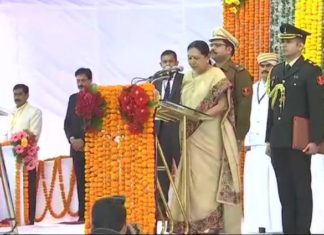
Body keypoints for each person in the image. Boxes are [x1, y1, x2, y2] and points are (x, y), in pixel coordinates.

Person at [170, 40, 241, 234]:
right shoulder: (186, 77)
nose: (192, 62)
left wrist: (198, 117)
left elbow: (223, 106)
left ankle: (211, 223)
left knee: (207, 181)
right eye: (189, 58)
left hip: (209, 135)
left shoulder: (216, 75)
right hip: (190, 135)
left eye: (196, 58)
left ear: (207, 57)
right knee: (191, 179)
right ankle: (191, 223)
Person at [265, 24, 324, 234]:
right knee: (285, 191)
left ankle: (302, 231)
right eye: (282, 41)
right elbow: (272, 108)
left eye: (288, 41)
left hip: (299, 140)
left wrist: (316, 140)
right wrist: (269, 139)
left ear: (300, 45)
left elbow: (317, 108)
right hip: (279, 139)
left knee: (301, 190)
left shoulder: (310, 70)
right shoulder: (277, 70)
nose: (284, 45)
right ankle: (288, 230)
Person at [243, 53, 282, 233]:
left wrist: (273, 140)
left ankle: (275, 226)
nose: (264, 69)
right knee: (254, 187)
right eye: (262, 66)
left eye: (268, 66)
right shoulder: (252, 88)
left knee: (273, 186)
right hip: (253, 144)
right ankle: (256, 225)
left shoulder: (281, 89)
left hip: (271, 145)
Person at [209, 27, 253, 147]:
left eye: (217, 45)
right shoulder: (207, 72)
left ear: (229, 50)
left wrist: (239, 135)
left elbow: (244, 106)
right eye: (211, 45)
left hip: (228, 129)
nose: (212, 48)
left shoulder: (239, 73)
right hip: (207, 130)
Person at [153, 50, 183, 217]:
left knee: (182, 172)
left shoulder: (184, 79)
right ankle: (161, 212)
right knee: (161, 173)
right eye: (165, 62)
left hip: (178, 131)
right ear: (160, 64)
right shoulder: (155, 81)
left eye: (171, 61)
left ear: (176, 62)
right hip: (161, 133)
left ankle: (184, 210)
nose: (168, 65)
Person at [10, 84, 42, 225]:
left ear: (27, 95)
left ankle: (29, 219)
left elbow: (33, 135)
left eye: (20, 94)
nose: (17, 97)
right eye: (15, 94)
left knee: (29, 188)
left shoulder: (34, 111)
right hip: (12, 159)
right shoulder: (13, 112)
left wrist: (21, 142)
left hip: (27, 158)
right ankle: (16, 216)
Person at [64, 67, 93, 223]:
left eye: (83, 80)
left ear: (90, 81)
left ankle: (94, 216)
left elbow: (95, 123)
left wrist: (83, 139)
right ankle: (82, 215)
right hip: (75, 147)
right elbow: (67, 123)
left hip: (92, 147)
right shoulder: (72, 98)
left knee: (93, 181)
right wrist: (72, 139)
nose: (80, 84)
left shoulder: (97, 97)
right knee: (80, 181)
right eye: (78, 81)